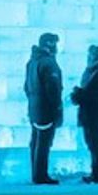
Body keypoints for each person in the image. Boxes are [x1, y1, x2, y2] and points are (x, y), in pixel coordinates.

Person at [71, 44, 98, 184]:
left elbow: (92, 95)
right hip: (92, 114)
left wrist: (77, 94)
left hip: (94, 114)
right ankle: (96, 173)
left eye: (91, 54)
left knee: (96, 144)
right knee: (94, 144)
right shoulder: (95, 72)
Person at [24, 32, 63, 185]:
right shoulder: (48, 63)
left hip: (34, 108)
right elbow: (53, 89)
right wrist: (57, 108)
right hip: (45, 108)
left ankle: (36, 174)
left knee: (35, 141)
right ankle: (41, 176)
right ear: (50, 44)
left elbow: (26, 87)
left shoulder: (32, 62)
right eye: (55, 43)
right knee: (44, 142)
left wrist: (33, 100)